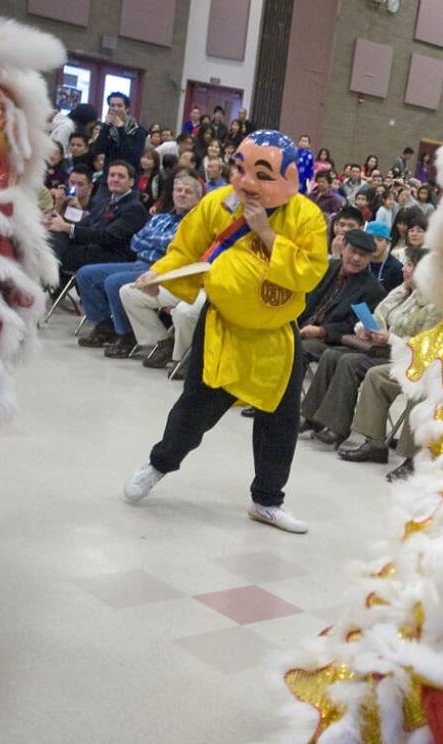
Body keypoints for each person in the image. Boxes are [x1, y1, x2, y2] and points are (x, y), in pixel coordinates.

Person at [121, 130, 328, 533]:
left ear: (287, 178)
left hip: (275, 337)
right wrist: (159, 275)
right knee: (194, 408)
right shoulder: (217, 204)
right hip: (223, 328)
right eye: (240, 169)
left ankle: (267, 500)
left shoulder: (306, 216)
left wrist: (266, 233)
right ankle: (159, 463)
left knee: (280, 420)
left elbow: (310, 273)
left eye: (262, 175)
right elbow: (185, 250)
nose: (247, 182)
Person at [306, 246, 442, 452]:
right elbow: (378, 317)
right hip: (380, 349)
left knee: (350, 362)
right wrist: (364, 329)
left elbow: (424, 347)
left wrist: (390, 339)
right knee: (332, 355)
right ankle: (312, 416)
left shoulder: (434, 305)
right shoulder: (401, 292)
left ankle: (339, 427)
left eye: (411, 265)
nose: (404, 269)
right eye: (406, 264)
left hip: (405, 359)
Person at [74, 173, 200, 354]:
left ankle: (127, 335)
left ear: (198, 198)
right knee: (85, 273)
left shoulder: (194, 223)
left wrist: (152, 240)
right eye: (178, 190)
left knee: (114, 282)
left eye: (188, 192)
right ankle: (104, 326)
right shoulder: (160, 218)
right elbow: (135, 241)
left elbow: (172, 247)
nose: (181, 194)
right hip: (138, 263)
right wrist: (158, 242)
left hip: (160, 271)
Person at [45, 159, 147, 281]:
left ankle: (44, 276)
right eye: (112, 175)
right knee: (52, 235)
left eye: (121, 176)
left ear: (131, 182)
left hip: (110, 256)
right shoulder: (106, 202)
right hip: (92, 250)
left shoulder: (134, 208)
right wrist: (56, 222)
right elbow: (85, 223)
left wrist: (67, 228)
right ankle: (46, 275)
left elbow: (108, 236)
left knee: (51, 249)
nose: (115, 179)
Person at [296, 228, 387, 363]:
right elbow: (304, 295)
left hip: (331, 342)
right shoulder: (326, 267)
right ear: (343, 247)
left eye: (363, 255)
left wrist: (321, 331)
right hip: (301, 324)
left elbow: (353, 325)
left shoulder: (373, 290)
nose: (356, 258)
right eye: (353, 251)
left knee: (299, 349)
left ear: (369, 258)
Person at [90, 91, 146, 186]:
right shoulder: (107, 129)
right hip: (108, 178)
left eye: (119, 106)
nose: (115, 109)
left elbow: (132, 155)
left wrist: (121, 129)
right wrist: (106, 127)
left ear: (127, 109)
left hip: (128, 180)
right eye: (112, 105)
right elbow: (98, 149)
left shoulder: (138, 130)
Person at [364, 220, 404, 293]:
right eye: (370, 238)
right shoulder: (360, 263)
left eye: (379, 240)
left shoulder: (397, 268)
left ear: (388, 243)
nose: (374, 243)